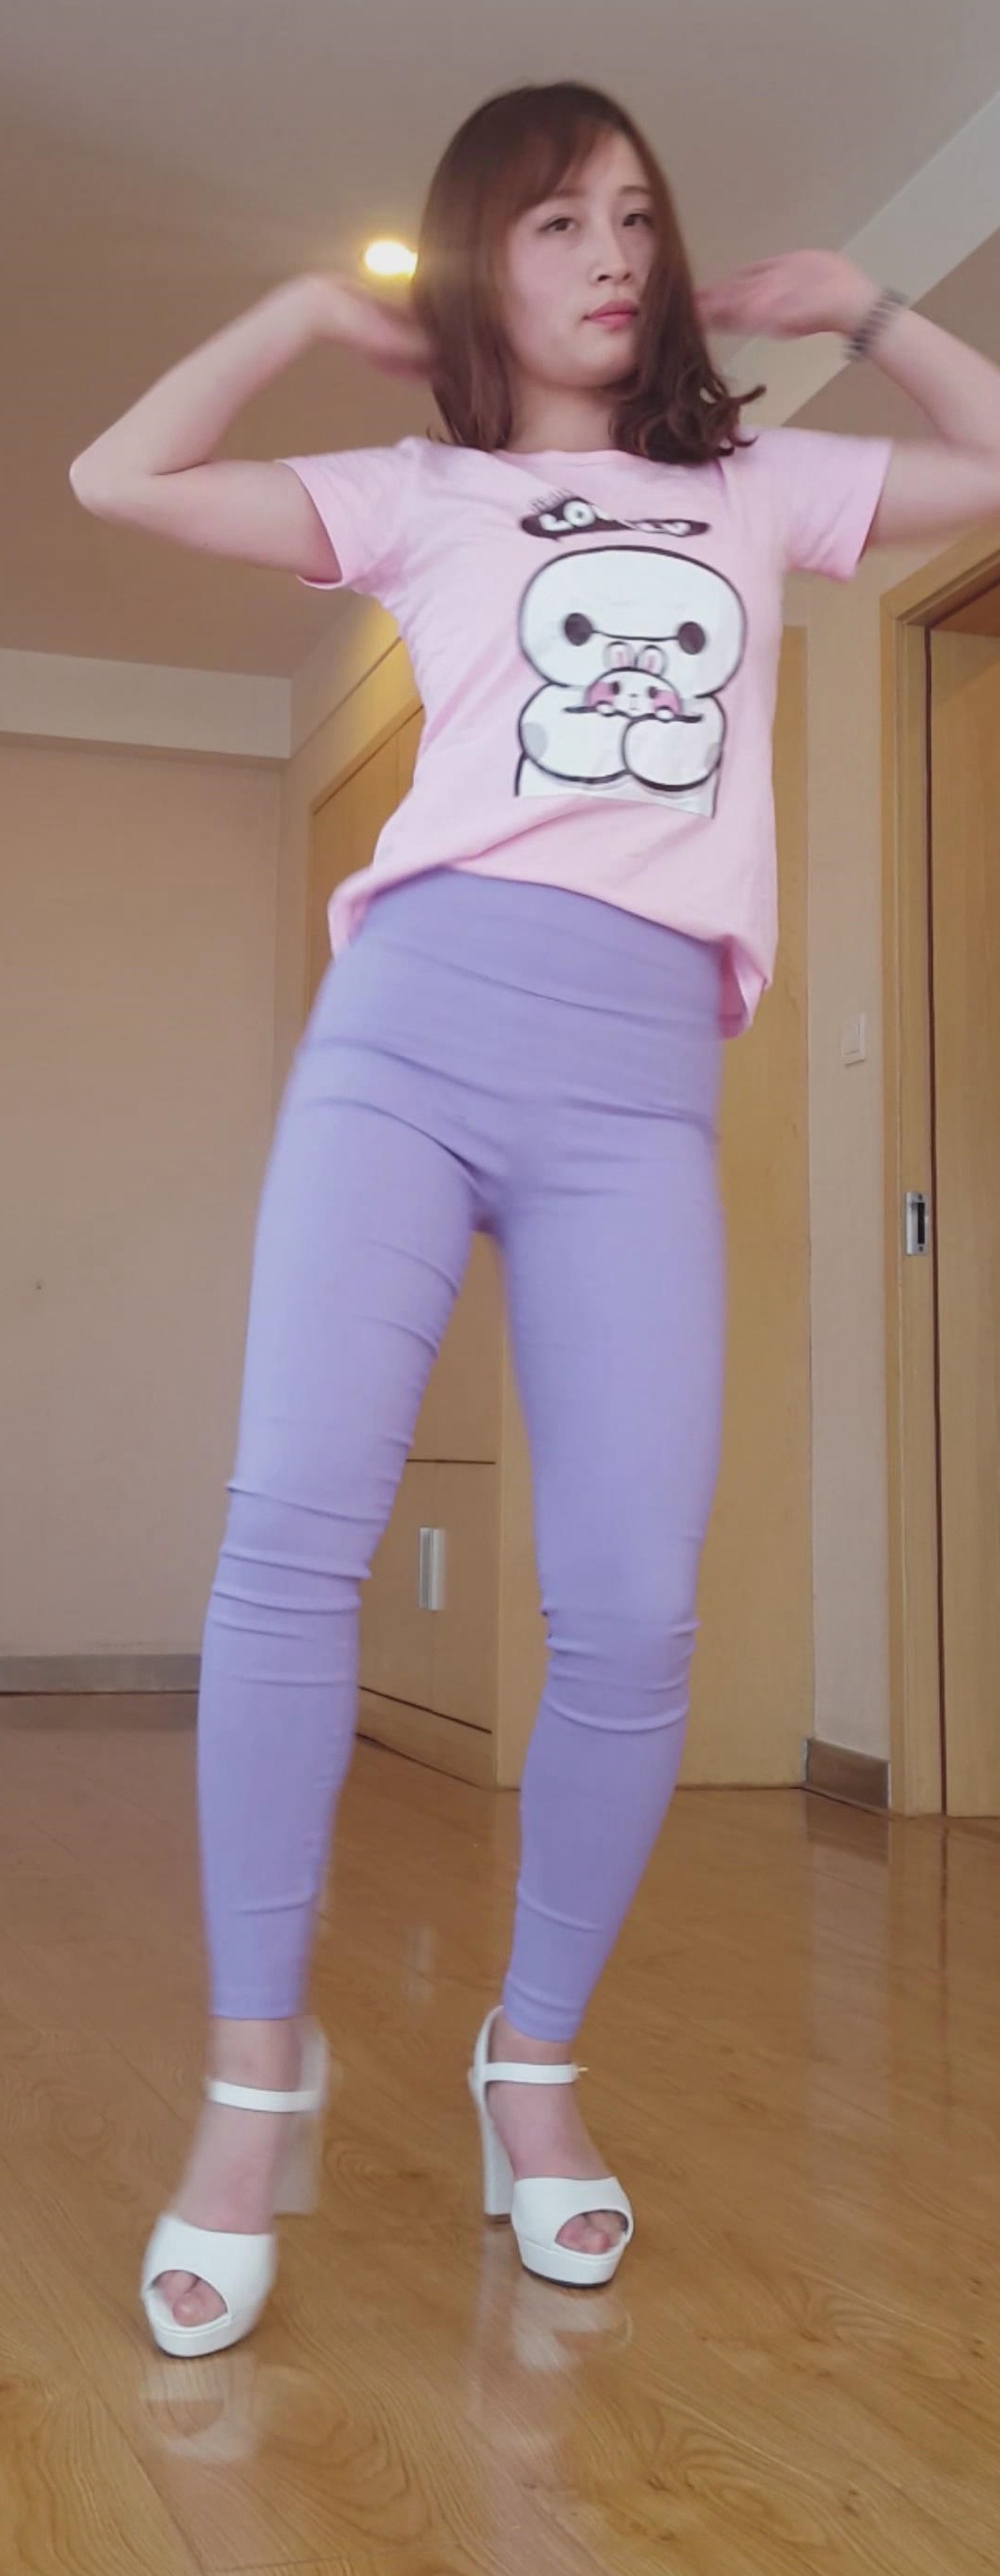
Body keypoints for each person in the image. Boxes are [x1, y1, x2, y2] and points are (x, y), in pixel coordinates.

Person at [69, 80, 1000, 2360]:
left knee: (637, 1612)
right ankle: (256, 2081)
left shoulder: (756, 487)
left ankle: (536, 2064)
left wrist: (876, 302)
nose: (614, 255)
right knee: (292, 1534)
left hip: (634, 1089)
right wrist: (314, 310)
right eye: (561, 220)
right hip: (405, 1037)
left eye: (641, 220)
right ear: (486, 260)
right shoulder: (418, 492)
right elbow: (115, 478)